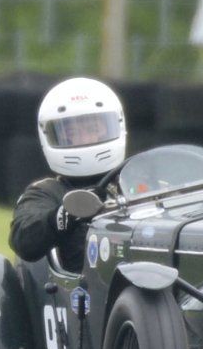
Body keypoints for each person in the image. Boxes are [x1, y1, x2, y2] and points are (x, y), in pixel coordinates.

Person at [8, 77, 128, 266]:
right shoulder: (47, 192)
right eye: (72, 132)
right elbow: (24, 240)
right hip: (83, 289)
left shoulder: (138, 180)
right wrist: (66, 215)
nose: (85, 138)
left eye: (93, 128)